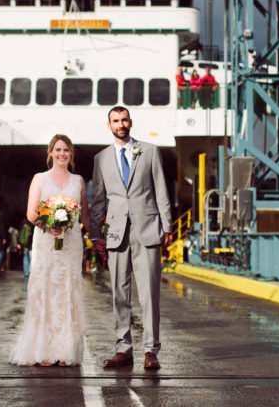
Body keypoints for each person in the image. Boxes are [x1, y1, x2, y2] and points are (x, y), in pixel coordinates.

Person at [90, 106, 172, 371]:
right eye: (115, 121)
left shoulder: (150, 151)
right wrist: (94, 234)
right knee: (119, 295)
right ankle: (123, 349)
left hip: (147, 229)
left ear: (131, 122)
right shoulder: (101, 158)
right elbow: (99, 199)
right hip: (115, 233)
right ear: (109, 125)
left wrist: (167, 226)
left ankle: (151, 350)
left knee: (149, 294)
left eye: (124, 120)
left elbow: (161, 190)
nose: (121, 124)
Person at [9, 133, 90, 367]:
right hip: (46, 240)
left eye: (66, 150)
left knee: (68, 290)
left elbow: (84, 214)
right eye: (58, 150)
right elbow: (31, 212)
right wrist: (50, 225)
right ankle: (43, 349)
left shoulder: (79, 181)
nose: (62, 154)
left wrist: (98, 235)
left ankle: (65, 350)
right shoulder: (40, 179)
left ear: (71, 154)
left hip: (72, 242)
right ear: (51, 153)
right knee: (44, 289)